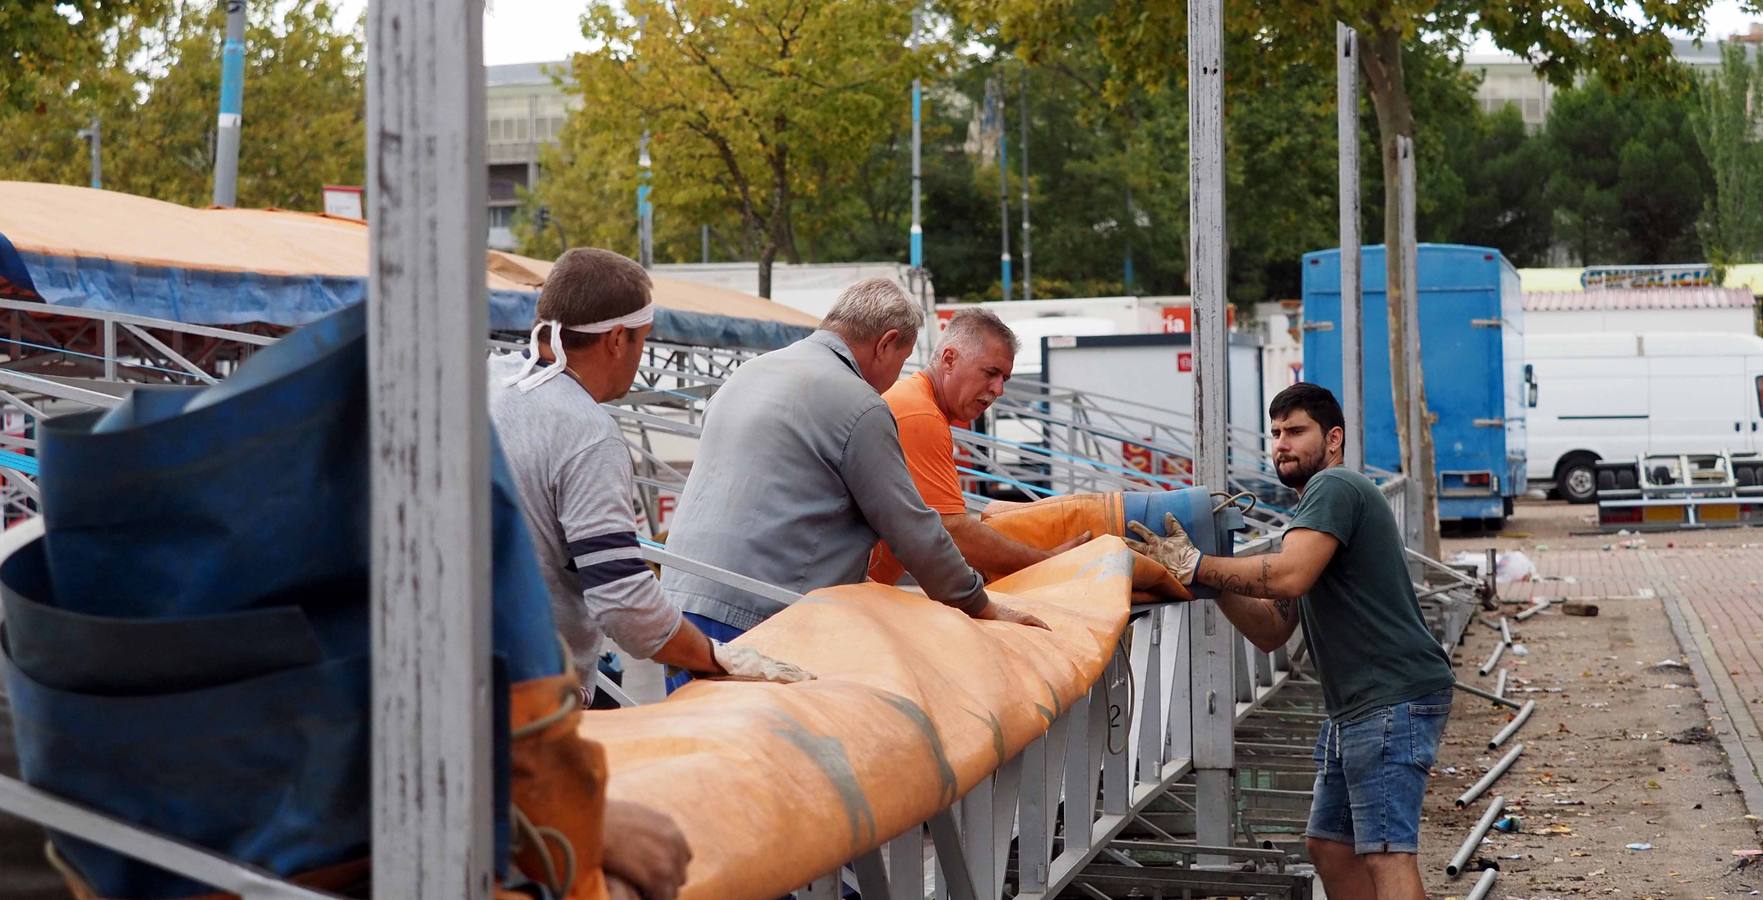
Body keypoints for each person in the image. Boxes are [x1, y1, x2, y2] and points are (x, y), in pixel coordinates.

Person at [489, 248, 811, 900]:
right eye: (641, 342)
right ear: (615, 340)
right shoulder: (583, 429)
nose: (641, 357)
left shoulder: (488, 380)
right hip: (527, 706)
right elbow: (625, 605)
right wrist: (714, 658)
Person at [1126, 383, 1454, 900]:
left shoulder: (1335, 488)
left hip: (1391, 698)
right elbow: (1272, 629)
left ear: (1333, 438)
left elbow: (1288, 577)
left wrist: (1197, 563)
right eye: (1275, 432)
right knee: (1329, 846)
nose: (1282, 443)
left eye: (1297, 431)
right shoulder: (1313, 514)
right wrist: (1205, 579)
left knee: (1387, 850)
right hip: (1358, 704)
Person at [660, 278, 1047, 666]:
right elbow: (915, 531)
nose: (898, 376)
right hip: (760, 617)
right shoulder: (860, 404)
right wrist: (979, 603)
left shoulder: (747, 375)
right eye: (902, 359)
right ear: (885, 344)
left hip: (679, 607)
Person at [868, 308, 1088, 584]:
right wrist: (1046, 561)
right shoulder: (920, 414)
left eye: (1004, 379)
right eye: (991, 373)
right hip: (839, 600)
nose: (999, 389)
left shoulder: (916, 402)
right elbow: (952, 531)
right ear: (949, 360)